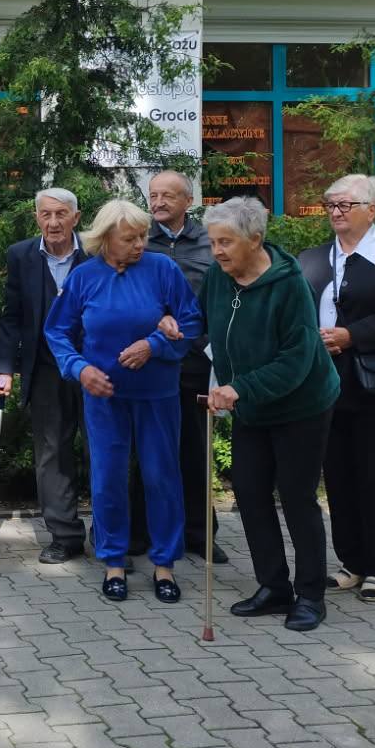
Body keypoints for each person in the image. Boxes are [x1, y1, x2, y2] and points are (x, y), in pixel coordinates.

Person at [44, 200, 202, 604]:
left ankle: (164, 565)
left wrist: (154, 345)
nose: (140, 244)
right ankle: (113, 562)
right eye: (130, 238)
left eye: (143, 236)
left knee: (162, 477)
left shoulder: (162, 269)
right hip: (105, 397)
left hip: (157, 395)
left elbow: (191, 320)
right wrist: (80, 369)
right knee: (108, 478)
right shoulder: (84, 277)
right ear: (105, 239)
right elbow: (57, 331)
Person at [202, 195, 341, 632]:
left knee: (297, 498)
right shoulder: (219, 276)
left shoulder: (290, 285)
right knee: (249, 492)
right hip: (252, 406)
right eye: (213, 242)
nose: (217, 251)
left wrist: (239, 388)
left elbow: (295, 361)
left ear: (255, 239)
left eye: (226, 242)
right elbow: (201, 321)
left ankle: (311, 595)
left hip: (302, 405)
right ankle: (274, 586)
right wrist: (173, 328)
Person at [299, 174, 375, 603]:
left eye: (344, 205)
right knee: (337, 476)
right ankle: (350, 562)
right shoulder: (313, 258)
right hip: (325, 384)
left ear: (371, 210)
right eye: (330, 205)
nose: (335, 212)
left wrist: (352, 335)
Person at [0, 188, 90, 564]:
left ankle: (110, 536)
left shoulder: (95, 251)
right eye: (46, 214)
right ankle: (65, 536)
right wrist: (4, 367)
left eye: (61, 214)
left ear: (75, 218)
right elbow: (13, 316)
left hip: (93, 368)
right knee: (52, 454)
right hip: (47, 369)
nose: (53, 222)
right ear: (37, 218)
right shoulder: (21, 255)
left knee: (102, 450)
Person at [140, 169, 227, 564]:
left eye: (167, 196)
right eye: (153, 195)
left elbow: (223, 297)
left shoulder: (210, 242)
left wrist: (209, 344)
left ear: (188, 201)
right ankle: (140, 532)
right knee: (145, 450)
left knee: (194, 450)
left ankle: (199, 533)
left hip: (194, 362)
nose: (158, 202)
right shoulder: (140, 239)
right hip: (148, 361)